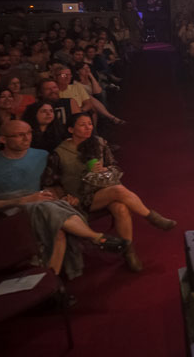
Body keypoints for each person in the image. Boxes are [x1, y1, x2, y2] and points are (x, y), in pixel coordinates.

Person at [0, 120, 127, 279]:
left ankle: (51, 282)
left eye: (29, 133)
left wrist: (63, 196)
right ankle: (95, 238)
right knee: (45, 209)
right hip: (10, 211)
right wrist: (23, 200)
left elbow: (53, 184)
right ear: (3, 139)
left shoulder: (42, 155)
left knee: (58, 230)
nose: (27, 138)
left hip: (44, 203)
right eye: (19, 135)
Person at [43, 113, 176, 272]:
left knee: (121, 208)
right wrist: (65, 197)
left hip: (103, 189)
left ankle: (129, 252)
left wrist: (104, 169)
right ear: (71, 129)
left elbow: (114, 167)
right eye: (82, 125)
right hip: (81, 197)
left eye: (90, 124)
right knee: (118, 190)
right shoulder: (60, 153)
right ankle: (151, 217)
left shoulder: (99, 143)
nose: (88, 128)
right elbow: (50, 182)